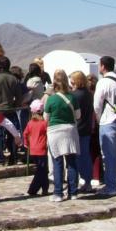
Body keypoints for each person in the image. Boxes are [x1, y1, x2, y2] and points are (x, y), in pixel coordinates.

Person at [93, 55, 116, 197]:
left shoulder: (103, 83)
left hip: (108, 120)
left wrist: (98, 119)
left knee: (109, 155)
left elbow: (97, 104)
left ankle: (111, 186)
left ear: (103, 66)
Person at [44, 70, 81, 202]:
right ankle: (73, 192)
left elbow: (46, 117)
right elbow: (78, 116)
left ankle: (58, 193)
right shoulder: (72, 98)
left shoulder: (51, 99)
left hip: (54, 131)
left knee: (57, 162)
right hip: (70, 130)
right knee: (71, 162)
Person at [0, 56, 22, 165]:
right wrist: (15, 105)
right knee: (12, 133)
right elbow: (19, 96)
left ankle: (0, 158)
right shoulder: (13, 79)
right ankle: (13, 157)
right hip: (11, 109)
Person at [70, 70, 94, 193]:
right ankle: (88, 181)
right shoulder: (89, 94)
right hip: (87, 127)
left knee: (77, 157)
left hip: (77, 128)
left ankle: (80, 179)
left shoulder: (75, 95)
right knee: (86, 155)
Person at [24, 99, 49, 196]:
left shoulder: (30, 123)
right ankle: (33, 189)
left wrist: (26, 143)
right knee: (42, 171)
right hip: (42, 149)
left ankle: (44, 189)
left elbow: (25, 133)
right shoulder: (44, 123)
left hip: (33, 150)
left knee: (42, 170)